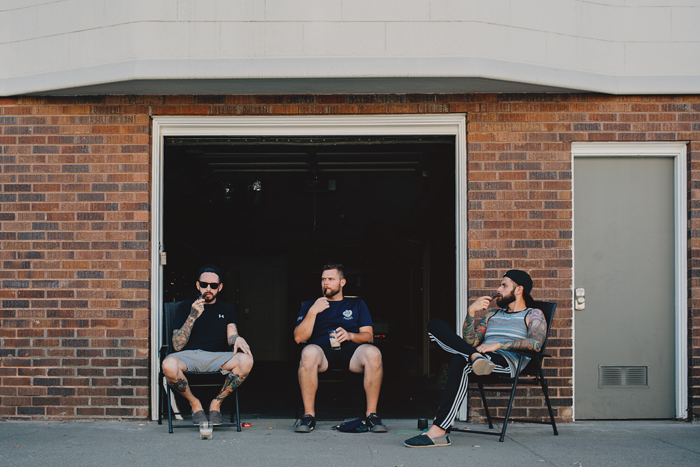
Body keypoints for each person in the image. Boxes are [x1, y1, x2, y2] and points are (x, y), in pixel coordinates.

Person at [404, 269, 547, 448]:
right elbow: (470, 341)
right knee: (436, 325)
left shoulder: (533, 314)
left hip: (504, 362)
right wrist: (471, 312)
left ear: (518, 290)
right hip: (480, 358)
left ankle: (439, 430)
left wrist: (498, 345)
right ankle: (475, 357)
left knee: (460, 360)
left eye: (504, 285)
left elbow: (535, 344)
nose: (498, 289)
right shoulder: (492, 315)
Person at [293, 263, 387, 433]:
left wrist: (350, 335)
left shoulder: (357, 305)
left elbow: (368, 336)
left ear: (342, 282)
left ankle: (372, 415)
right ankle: (308, 416)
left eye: (330, 279)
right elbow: (299, 337)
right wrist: (313, 312)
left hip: (351, 351)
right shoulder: (310, 305)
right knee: (307, 352)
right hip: (322, 351)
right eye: (323, 279)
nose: (325, 283)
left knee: (374, 353)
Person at [162, 265, 254, 426]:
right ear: (198, 285)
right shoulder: (185, 307)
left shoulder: (227, 308)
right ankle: (195, 404)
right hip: (188, 356)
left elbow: (231, 335)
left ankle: (216, 404)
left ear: (220, 287)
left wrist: (238, 339)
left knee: (247, 360)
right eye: (204, 285)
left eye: (213, 285)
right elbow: (177, 345)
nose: (208, 289)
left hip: (217, 356)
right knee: (168, 364)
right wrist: (192, 316)